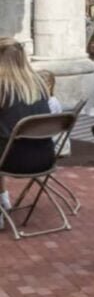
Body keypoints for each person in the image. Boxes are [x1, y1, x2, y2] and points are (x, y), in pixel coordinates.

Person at [0, 39, 54, 217]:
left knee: (5, 142)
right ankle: (3, 199)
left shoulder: (3, 87)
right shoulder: (39, 84)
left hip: (12, 160)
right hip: (44, 157)